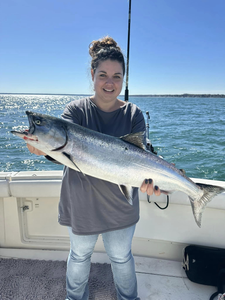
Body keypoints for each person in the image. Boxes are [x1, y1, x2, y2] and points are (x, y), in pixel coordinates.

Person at [26, 36, 161, 300]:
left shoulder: (134, 114)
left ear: (124, 79)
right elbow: (60, 148)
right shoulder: (75, 111)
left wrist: (150, 181)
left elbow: (142, 159)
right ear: (92, 74)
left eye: (117, 76)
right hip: (81, 203)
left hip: (121, 205)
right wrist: (41, 146)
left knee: (122, 258)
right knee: (79, 256)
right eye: (103, 75)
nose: (110, 83)